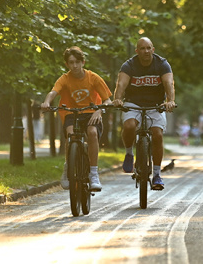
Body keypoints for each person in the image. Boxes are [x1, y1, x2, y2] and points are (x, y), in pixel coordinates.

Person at [41, 46, 112, 192]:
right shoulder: (65, 79)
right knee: (71, 136)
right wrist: (47, 102)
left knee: (92, 133)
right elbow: (53, 92)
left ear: (83, 62)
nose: (74, 66)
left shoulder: (93, 78)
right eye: (71, 62)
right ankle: (68, 168)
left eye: (77, 62)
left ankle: (93, 173)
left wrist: (99, 110)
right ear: (67, 64)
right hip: (71, 113)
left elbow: (108, 101)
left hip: (92, 113)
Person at [113, 37, 176, 191]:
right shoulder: (129, 65)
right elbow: (121, 84)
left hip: (156, 105)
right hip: (133, 104)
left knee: (157, 135)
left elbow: (169, 83)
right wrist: (117, 99)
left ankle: (156, 174)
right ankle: (129, 154)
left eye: (149, 48)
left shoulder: (162, 64)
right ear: (137, 51)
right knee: (129, 126)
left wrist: (170, 101)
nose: (146, 51)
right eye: (142, 48)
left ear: (153, 49)